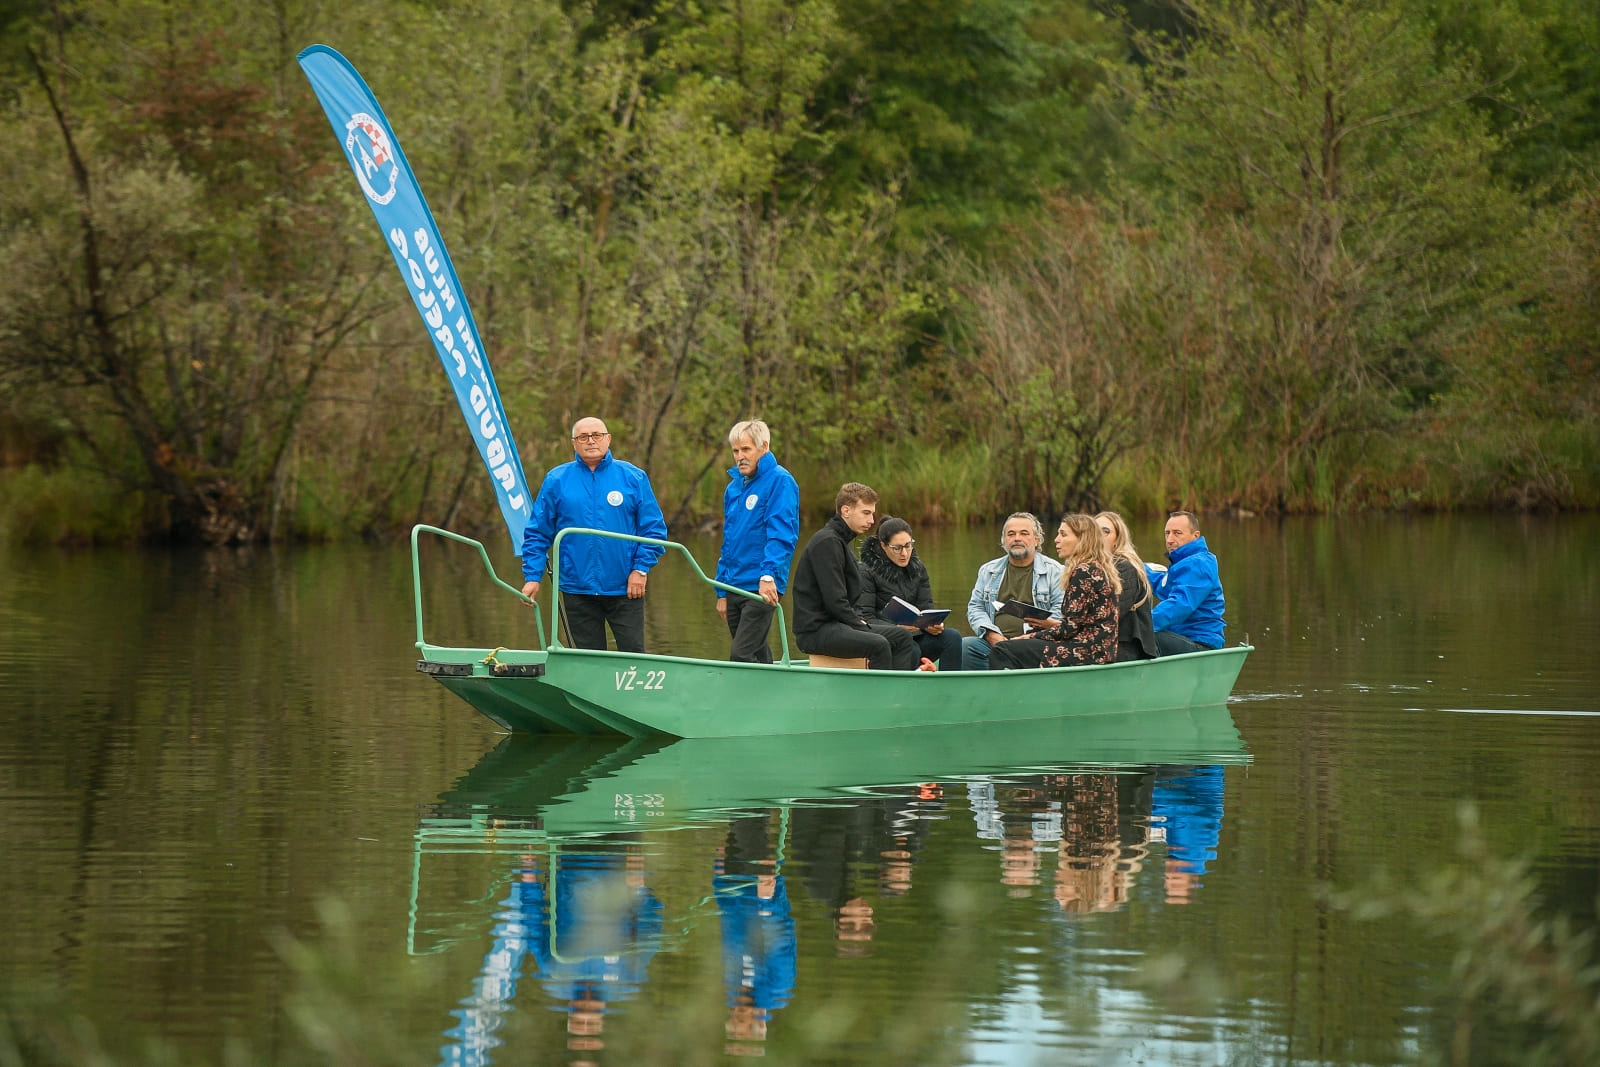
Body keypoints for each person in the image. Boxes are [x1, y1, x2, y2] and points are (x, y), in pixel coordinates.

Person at [520, 417, 668, 653]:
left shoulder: (633, 477)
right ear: (574, 443)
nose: (590, 441)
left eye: (596, 435)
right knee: (588, 659)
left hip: (626, 587)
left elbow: (654, 531)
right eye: (583, 437)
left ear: (608, 439)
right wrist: (532, 576)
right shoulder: (556, 480)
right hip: (577, 588)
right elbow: (537, 533)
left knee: (634, 657)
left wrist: (640, 570)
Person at [791, 483, 921, 671]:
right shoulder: (827, 543)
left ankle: (898, 688)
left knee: (902, 637)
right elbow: (835, 600)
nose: (872, 520)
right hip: (816, 630)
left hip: (839, 624)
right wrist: (859, 624)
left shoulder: (841, 542)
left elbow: (849, 599)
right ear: (845, 511)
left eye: (872, 514)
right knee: (879, 644)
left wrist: (859, 622)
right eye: (866, 513)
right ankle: (879, 689)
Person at [714, 419, 801, 663]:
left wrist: (768, 576)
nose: (739, 457)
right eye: (735, 451)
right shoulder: (733, 488)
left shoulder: (780, 481)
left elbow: (782, 534)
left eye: (746, 449)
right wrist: (721, 590)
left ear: (763, 448)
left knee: (741, 655)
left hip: (761, 585)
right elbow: (729, 543)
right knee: (758, 655)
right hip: (734, 585)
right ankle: (775, 686)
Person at [989, 514, 1120, 670]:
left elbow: (1069, 628)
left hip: (1086, 651)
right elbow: (1076, 625)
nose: (1056, 540)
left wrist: (1030, 636)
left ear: (1082, 539)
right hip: (1100, 649)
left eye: (1063, 535)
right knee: (1021, 646)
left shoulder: (1083, 572)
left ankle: (1004, 687)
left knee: (1003, 649)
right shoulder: (1096, 567)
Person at [856, 516, 965, 671]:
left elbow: (926, 607)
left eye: (908, 545)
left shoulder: (918, 569)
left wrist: (933, 624)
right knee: (911, 649)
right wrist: (897, 628)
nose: (904, 553)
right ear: (883, 546)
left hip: (916, 635)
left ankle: (949, 685)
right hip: (887, 640)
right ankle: (904, 685)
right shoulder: (865, 571)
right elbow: (865, 618)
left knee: (952, 637)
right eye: (897, 548)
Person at [961, 513, 1065, 670]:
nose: (1017, 538)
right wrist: (991, 634)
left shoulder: (1056, 571)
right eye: (1011, 534)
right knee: (965, 646)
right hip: (996, 643)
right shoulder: (988, 570)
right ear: (1004, 540)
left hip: (1035, 643)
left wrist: (1029, 638)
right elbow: (976, 607)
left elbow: (1060, 612)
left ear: (1036, 540)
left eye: (1024, 533)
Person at [1147, 510, 1226, 655]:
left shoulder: (1200, 563)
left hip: (1201, 644)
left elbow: (1180, 604)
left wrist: (1142, 624)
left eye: (1177, 533)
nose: (1169, 539)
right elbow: (1163, 585)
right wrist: (1135, 567)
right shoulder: (1182, 564)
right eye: (1167, 533)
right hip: (1182, 639)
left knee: (1142, 637)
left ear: (1195, 536)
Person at [1095, 511, 1159, 662]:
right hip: (1100, 639)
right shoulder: (1090, 567)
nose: (1099, 536)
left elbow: (1113, 614)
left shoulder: (1125, 567)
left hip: (1125, 645)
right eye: (1094, 531)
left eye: (1105, 531)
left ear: (1118, 539)